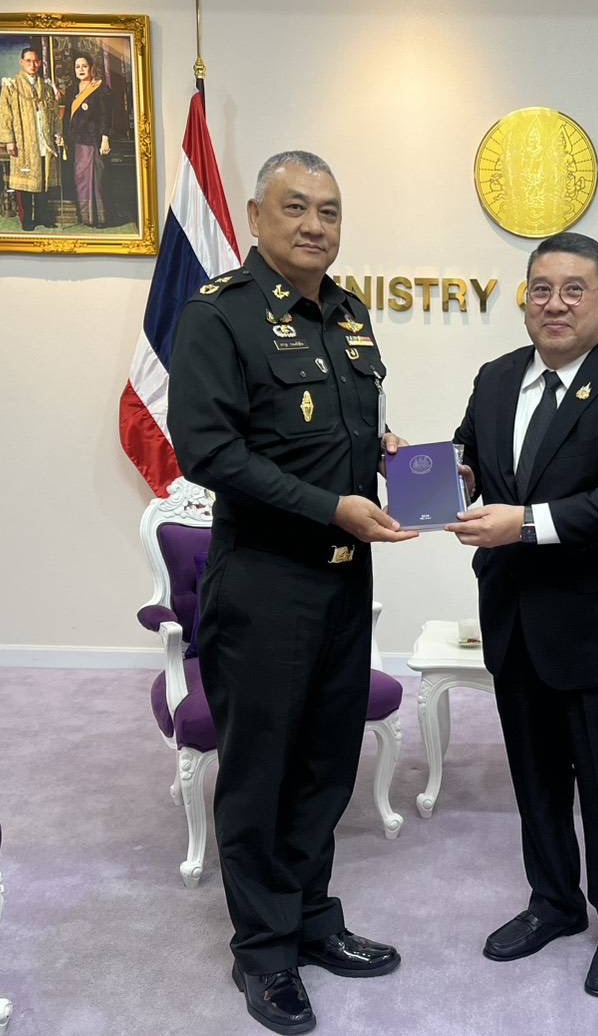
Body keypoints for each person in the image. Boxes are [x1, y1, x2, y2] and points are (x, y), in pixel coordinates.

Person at [168, 150, 416, 1034]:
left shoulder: (349, 314)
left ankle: (312, 918)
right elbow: (210, 452)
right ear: (255, 216)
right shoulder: (218, 316)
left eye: (330, 211)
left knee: (325, 764)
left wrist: (384, 454)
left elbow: (332, 430)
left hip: (345, 580)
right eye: (296, 207)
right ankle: (264, 951)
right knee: (261, 773)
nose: (315, 225)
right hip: (265, 582)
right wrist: (328, 505)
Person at [448, 231, 598, 998]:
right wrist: (439, 475)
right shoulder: (495, 378)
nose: (555, 304)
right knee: (536, 777)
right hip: (515, 616)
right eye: (542, 289)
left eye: (573, 289)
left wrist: (522, 523)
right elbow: (472, 460)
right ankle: (552, 902)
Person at [0, 46, 62, 231]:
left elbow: (55, 114)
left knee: (43, 180)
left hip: (43, 140)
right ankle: (26, 219)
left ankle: (43, 216)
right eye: (29, 61)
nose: (33, 65)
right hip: (23, 141)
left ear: (40, 63)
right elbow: (5, 114)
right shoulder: (12, 86)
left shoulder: (46, 87)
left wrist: (57, 133)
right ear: (22, 62)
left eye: (36, 61)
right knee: (24, 183)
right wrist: (9, 140)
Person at [63, 53, 112, 228]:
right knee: (81, 180)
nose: (81, 70)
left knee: (95, 180)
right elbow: (67, 117)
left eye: (84, 66)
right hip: (75, 142)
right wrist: (63, 137)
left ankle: (98, 218)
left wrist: (105, 138)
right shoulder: (71, 90)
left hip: (93, 141)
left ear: (91, 68)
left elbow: (106, 116)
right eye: (77, 67)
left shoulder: (100, 88)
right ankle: (86, 217)